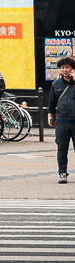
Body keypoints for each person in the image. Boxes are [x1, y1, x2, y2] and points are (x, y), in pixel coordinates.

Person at [50, 56, 75, 184]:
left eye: (68, 67)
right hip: (62, 121)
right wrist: (50, 115)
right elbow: (52, 102)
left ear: (72, 68)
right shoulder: (56, 84)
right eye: (63, 67)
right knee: (62, 149)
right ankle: (63, 173)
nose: (65, 70)